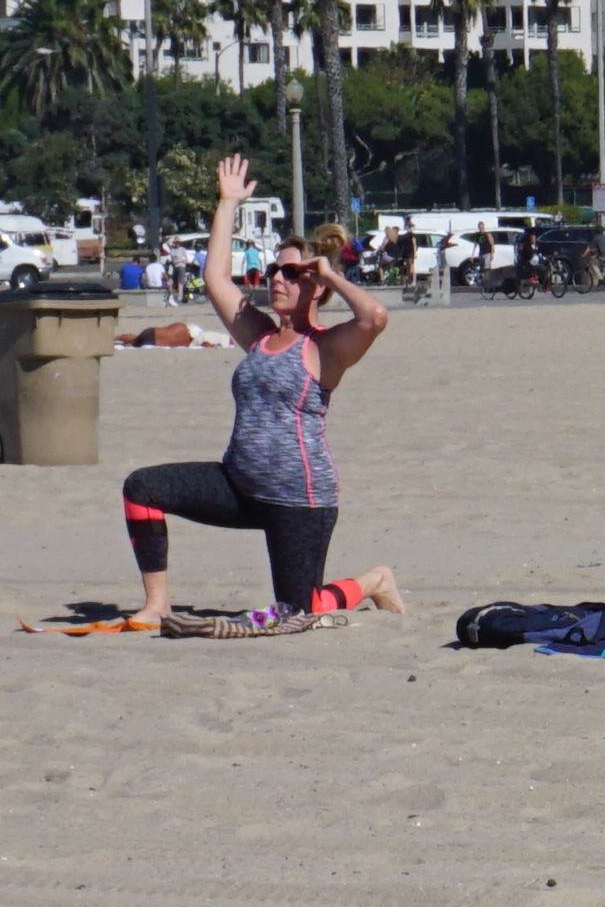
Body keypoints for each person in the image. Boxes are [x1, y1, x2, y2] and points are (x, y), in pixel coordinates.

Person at [117, 154, 406, 628]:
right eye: (275, 271)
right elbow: (214, 278)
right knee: (142, 489)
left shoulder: (325, 349)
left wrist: (329, 272)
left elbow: (375, 318)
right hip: (239, 485)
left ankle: (374, 581)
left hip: (300, 498)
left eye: (291, 274)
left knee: (300, 611)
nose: (277, 278)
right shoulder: (259, 336)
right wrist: (228, 202)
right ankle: (156, 605)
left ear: (313, 285)